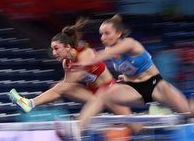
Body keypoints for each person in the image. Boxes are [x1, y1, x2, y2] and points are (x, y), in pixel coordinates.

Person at [64, 14, 191, 141]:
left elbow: (107, 54)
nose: (103, 38)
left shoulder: (130, 43)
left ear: (118, 34)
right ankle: (78, 128)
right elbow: (129, 68)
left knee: (188, 112)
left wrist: (85, 63)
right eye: (101, 34)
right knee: (103, 93)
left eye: (107, 33)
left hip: (156, 86)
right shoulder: (109, 49)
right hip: (136, 90)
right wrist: (125, 78)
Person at [8, 18, 140, 134]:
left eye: (56, 48)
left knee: (136, 128)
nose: (54, 53)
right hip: (93, 95)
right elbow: (65, 86)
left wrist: (59, 88)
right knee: (62, 87)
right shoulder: (66, 62)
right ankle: (30, 103)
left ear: (67, 47)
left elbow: (73, 79)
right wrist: (56, 91)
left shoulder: (85, 53)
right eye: (52, 49)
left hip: (110, 92)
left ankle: (153, 129)